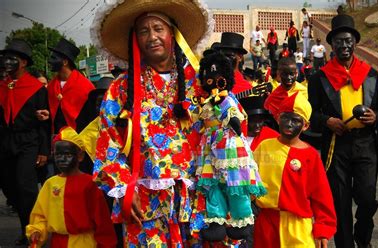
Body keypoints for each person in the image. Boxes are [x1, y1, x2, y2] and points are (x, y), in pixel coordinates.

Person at [90, 0, 212, 246]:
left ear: (172, 33)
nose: (152, 36)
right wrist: (124, 189)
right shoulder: (122, 88)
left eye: (158, 28)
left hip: (197, 200)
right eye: (143, 31)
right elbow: (108, 142)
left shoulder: (201, 83)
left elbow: (220, 136)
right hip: (144, 203)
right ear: (135, 39)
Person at [308, 14, 378, 248]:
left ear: (355, 43)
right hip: (336, 145)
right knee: (339, 201)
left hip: (365, 144)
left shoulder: (371, 75)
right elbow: (311, 114)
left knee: (367, 198)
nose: (344, 45)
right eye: (339, 41)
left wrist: (376, 118)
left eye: (348, 40)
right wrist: (327, 121)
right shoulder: (319, 78)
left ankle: (363, 238)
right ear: (331, 44)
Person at [195, 52, 266, 242]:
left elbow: (234, 114)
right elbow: (197, 119)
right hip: (210, 146)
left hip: (228, 145)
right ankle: (216, 221)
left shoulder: (227, 99)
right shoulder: (206, 102)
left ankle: (241, 219)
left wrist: (233, 121)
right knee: (213, 184)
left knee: (236, 183)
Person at [253, 91, 337, 247]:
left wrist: (323, 230)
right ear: (277, 118)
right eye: (285, 117)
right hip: (266, 224)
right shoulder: (264, 147)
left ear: (305, 125)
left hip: (298, 226)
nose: (289, 123)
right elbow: (249, 180)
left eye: (296, 120)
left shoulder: (310, 155)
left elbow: (321, 195)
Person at [26, 125, 117, 247]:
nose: (62, 159)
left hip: (85, 243)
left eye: (68, 154)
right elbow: (40, 214)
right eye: (58, 155)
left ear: (80, 156)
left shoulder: (90, 184)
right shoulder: (50, 183)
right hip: (57, 243)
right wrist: (37, 230)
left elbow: (102, 221)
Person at [0, 39, 49, 245]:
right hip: (5, 141)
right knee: (9, 187)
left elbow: (46, 122)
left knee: (26, 188)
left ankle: (32, 234)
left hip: (29, 142)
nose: (7, 62)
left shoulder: (37, 88)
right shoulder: (2, 86)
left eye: (13, 59)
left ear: (24, 63)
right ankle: (24, 227)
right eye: (6, 58)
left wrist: (44, 151)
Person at [46, 38, 96, 135]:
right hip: (56, 139)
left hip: (78, 138)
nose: (49, 61)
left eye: (54, 58)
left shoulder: (85, 85)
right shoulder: (51, 86)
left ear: (65, 62)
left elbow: (92, 119)